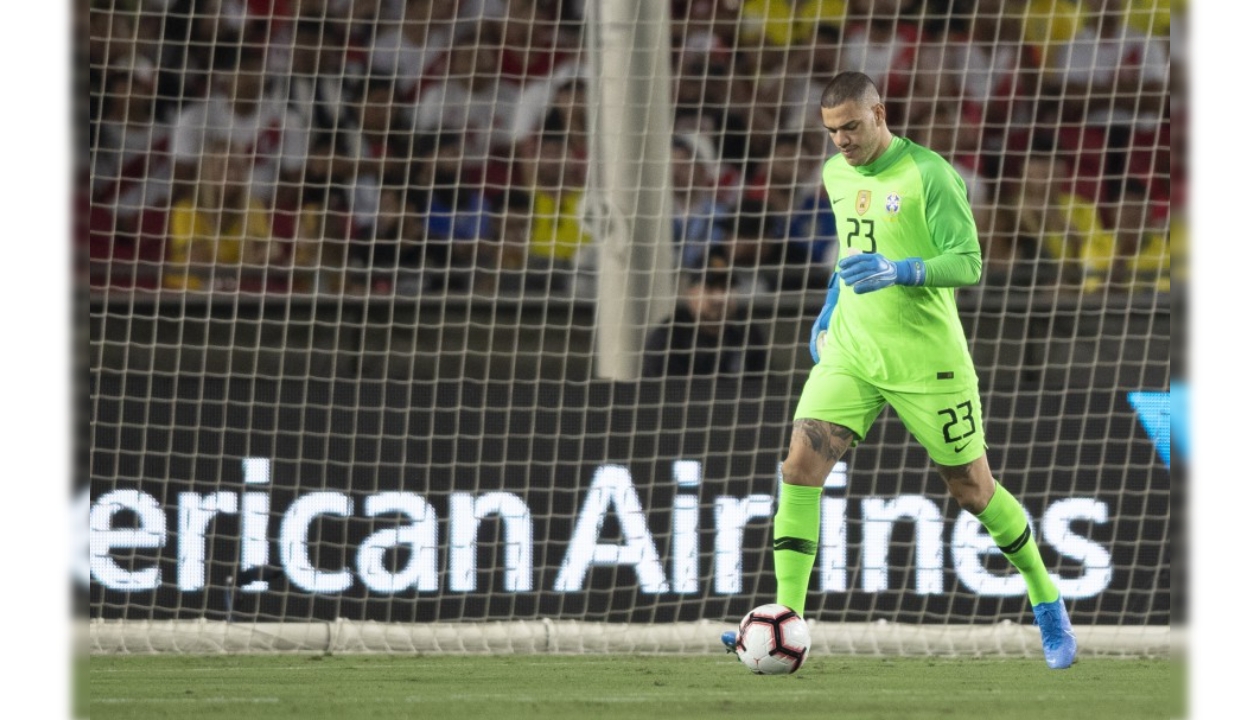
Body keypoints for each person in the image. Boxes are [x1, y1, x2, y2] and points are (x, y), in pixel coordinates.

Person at [719, 72, 1077, 670]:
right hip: (853, 352)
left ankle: (1045, 598)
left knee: (973, 491)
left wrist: (902, 270)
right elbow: (849, 252)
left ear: (878, 113)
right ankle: (785, 619)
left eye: (851, 127)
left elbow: (968, 263)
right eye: (832, 132)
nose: (842, 142)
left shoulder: (929, 175)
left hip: (926, 363)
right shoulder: (834, 174)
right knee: (799, 468)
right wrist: (831, 307)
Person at [642, 250, 768, 380]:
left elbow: (762, 385)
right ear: (691, 293)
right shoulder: (669, 337)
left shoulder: (747, 333)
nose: (720, 298)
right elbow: (662, 393)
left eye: (726, 288)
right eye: (710, 288)